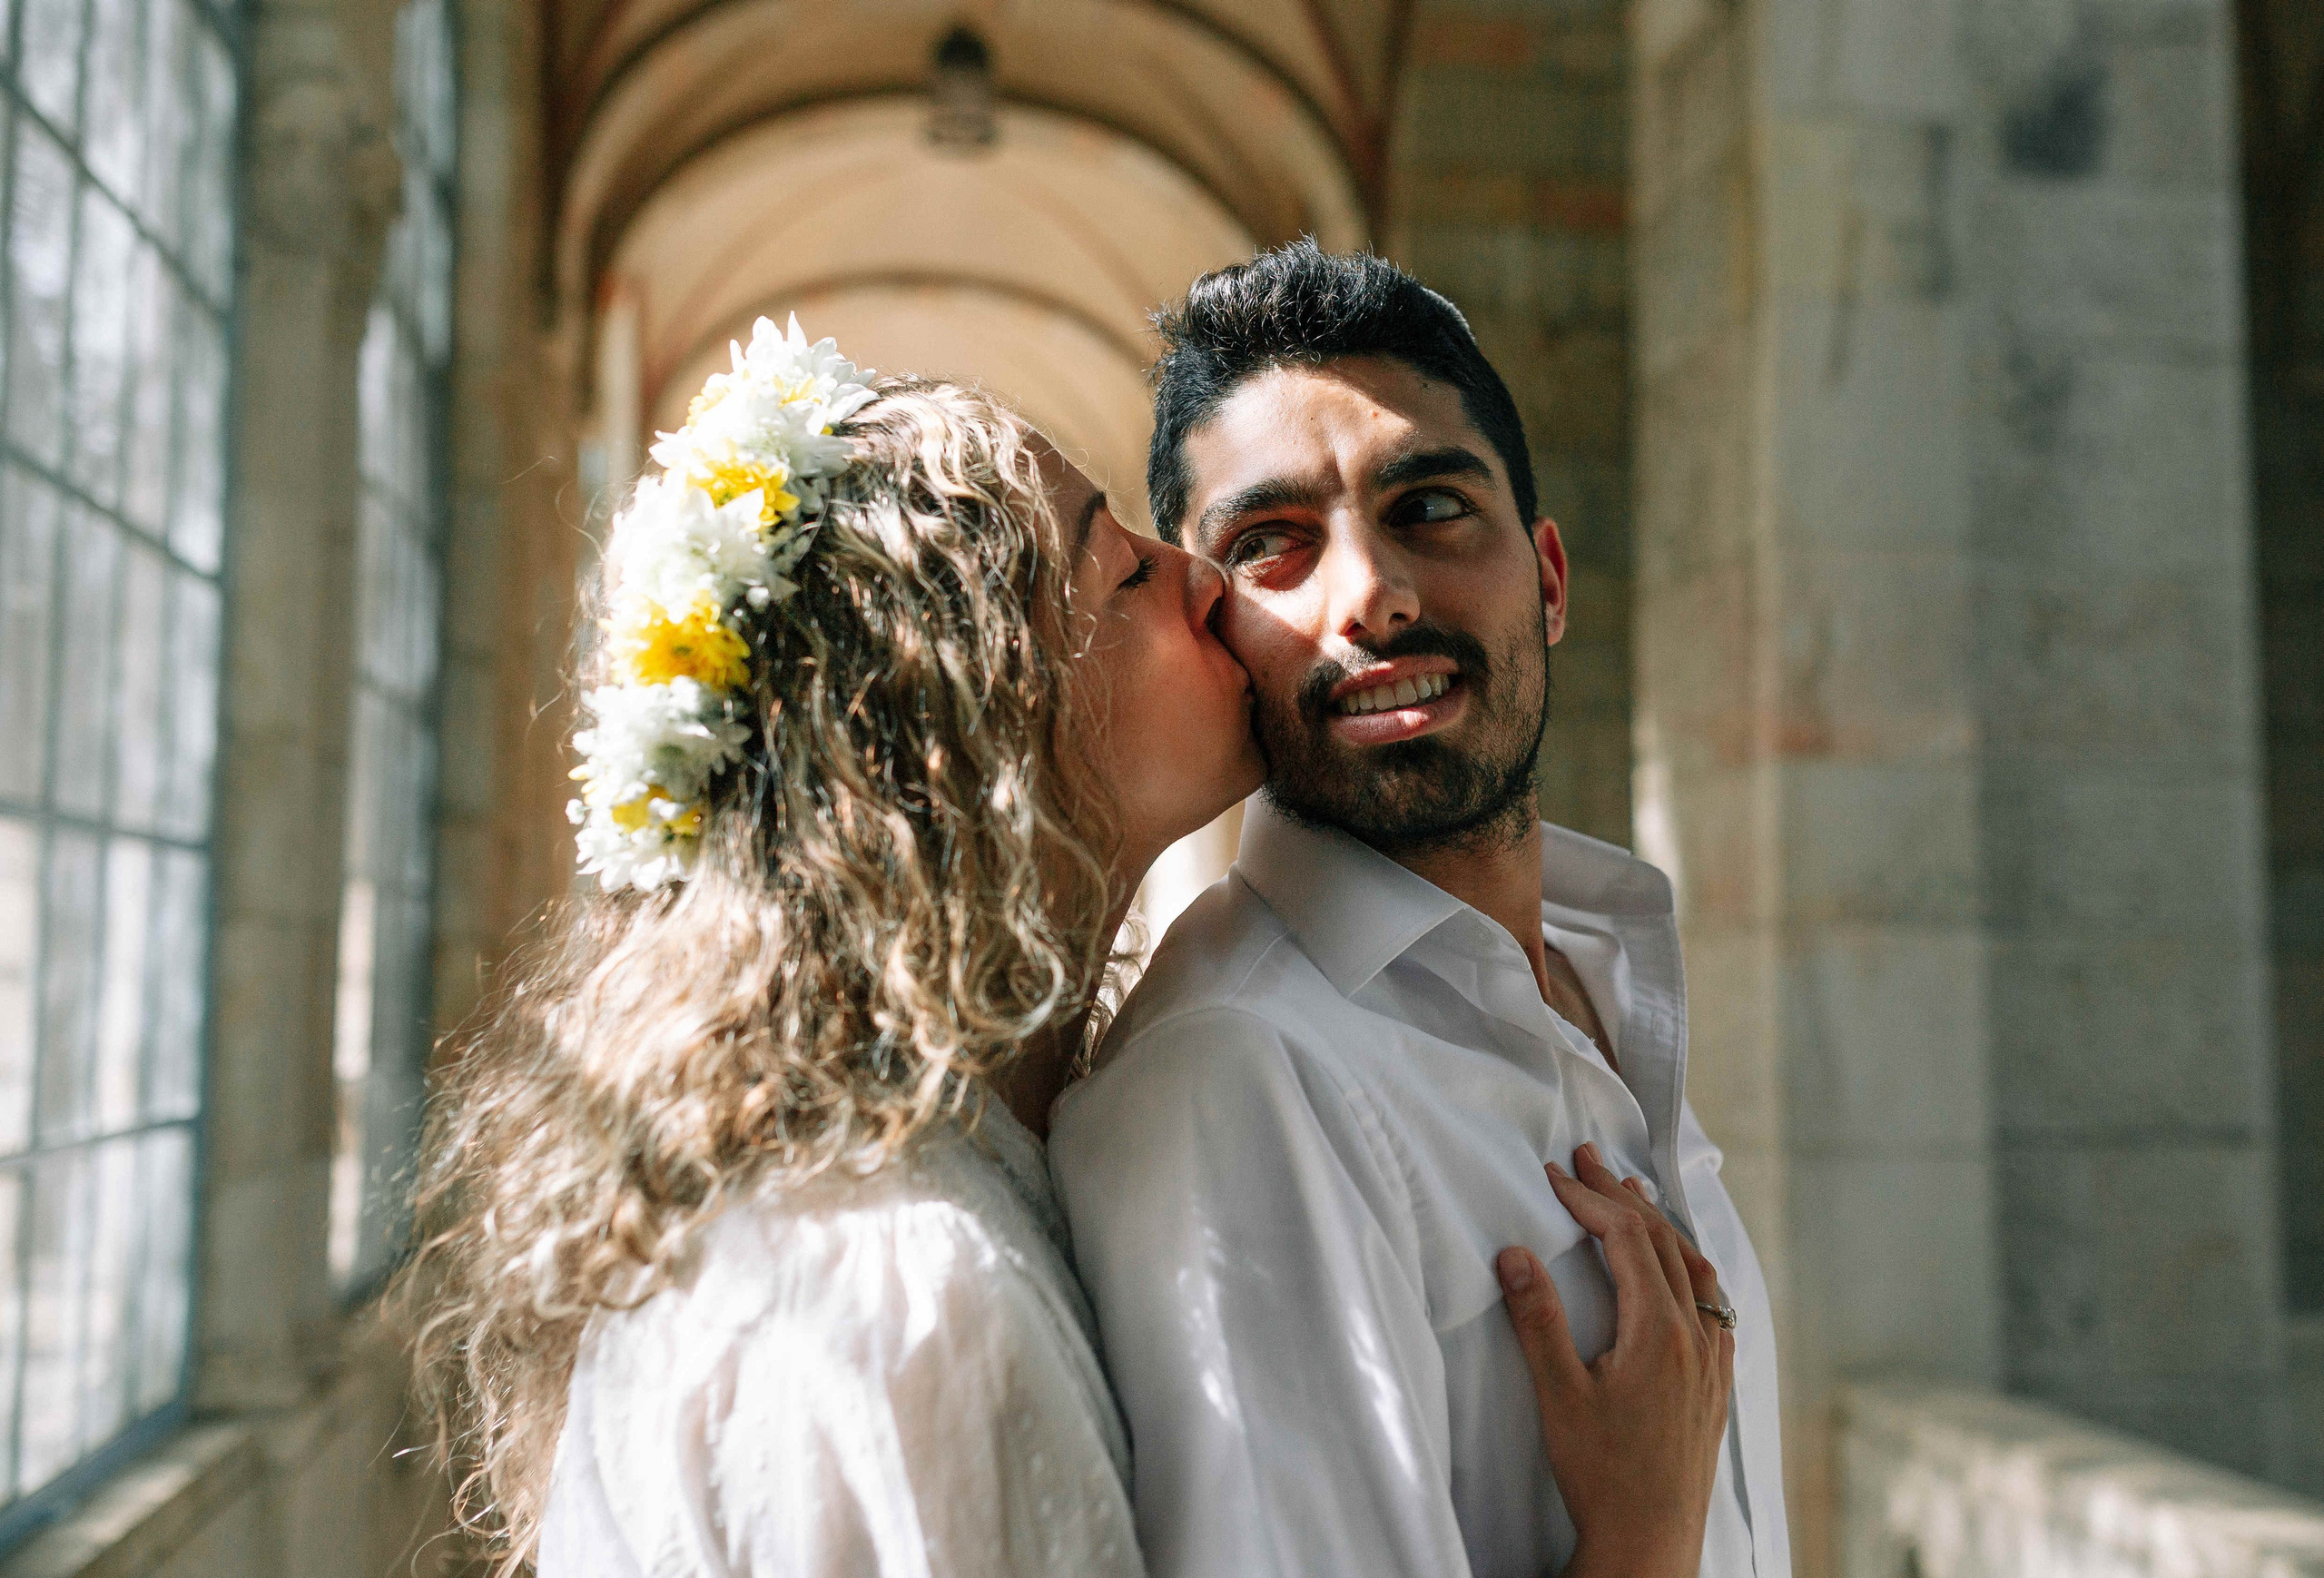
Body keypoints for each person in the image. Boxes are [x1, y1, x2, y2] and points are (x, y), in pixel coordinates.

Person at [399, 320, 1728, 1578]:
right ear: (977, 728)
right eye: (1128, 571)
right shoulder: (898, 1299)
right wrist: (1641, 1542)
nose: (1205, 585)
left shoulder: (929, 1187)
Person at [1048, 242, 1790, 1578]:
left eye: (1431, 507)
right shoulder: (1230, 1080)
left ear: (1548, 580)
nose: (1372, 596)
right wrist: (1640, 1540)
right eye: (1271, 547)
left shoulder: (1601, 975)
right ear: (1215, 632)